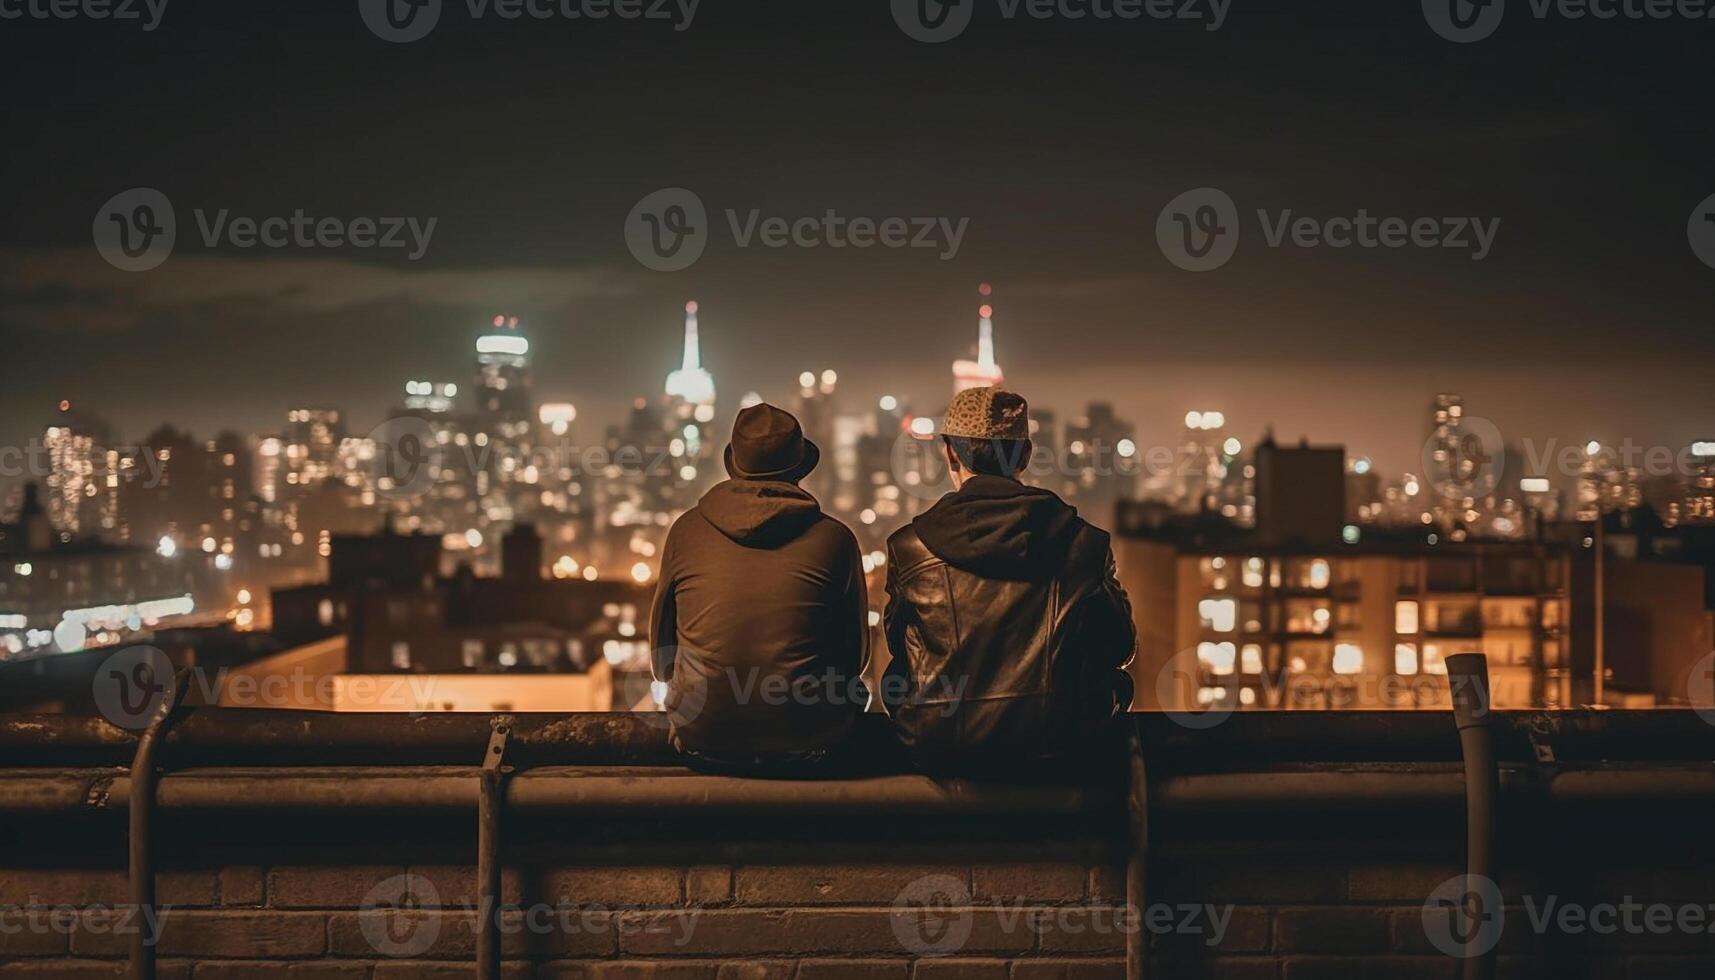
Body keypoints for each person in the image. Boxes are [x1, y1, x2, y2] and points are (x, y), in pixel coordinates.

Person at [882, 386, 1135, 768]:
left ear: (949, 452)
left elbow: (899, 656)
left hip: (938, 744)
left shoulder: (910, 549)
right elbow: (1119, 646)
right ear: (1026, 455)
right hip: (1059, 745)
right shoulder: (1084, 544)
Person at [649, 402, 868, 766]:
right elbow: (855, 658)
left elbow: (662, 659)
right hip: (810, 737)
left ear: (734, 464)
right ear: (799, 469)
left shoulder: (686, 531)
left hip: (703, 735)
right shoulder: (836, 539)